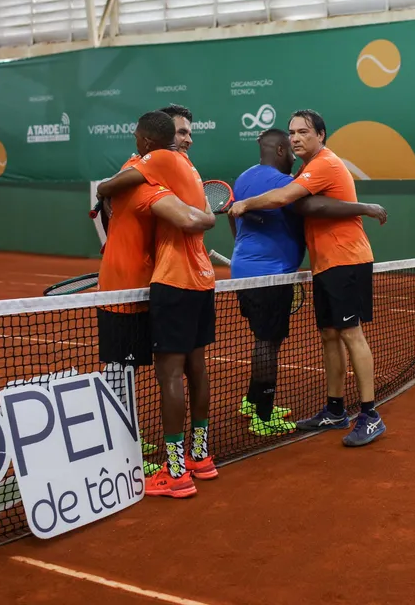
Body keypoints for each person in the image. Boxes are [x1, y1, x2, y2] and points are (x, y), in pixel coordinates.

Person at [228, 109, 385, 448]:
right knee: (329, 335)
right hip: (324, 265)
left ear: (321, 135)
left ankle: (370, 415)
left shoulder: (325, 164)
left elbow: (288, 200)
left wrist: (245, 204)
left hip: (347, 260)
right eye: (292, 132)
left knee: (351, 334)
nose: (296, 137)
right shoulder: (305, 170)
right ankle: (334, 409)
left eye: (303, 132)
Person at [98, 111, 217, 499]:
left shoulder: (156, 167)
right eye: (182, 133)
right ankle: (199, 457)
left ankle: (176, 471)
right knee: (196, 367)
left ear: (146, 141)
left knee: (169, 375)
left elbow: (181, 216)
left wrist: (104, 189)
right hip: (202, 279)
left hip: (173, 280)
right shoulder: (189, 170)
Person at [94, 111, 173, 472]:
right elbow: (103, 189)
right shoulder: (144, 166)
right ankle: (122, 446)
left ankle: (127, 437)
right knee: (120, 369)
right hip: (121, 286)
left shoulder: (145, 165)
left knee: (131, 367)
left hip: (141, 285)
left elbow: (106, 191)